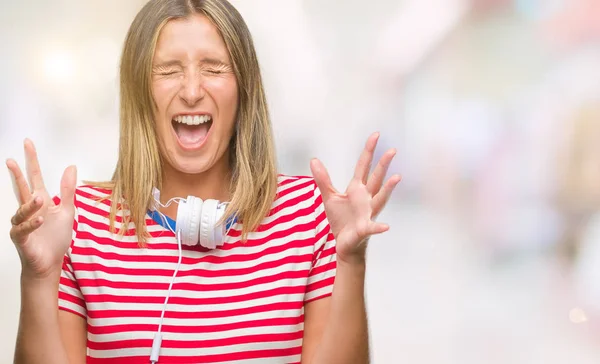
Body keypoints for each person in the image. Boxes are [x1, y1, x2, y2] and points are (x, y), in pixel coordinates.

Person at [7, 0, 400, 363]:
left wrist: (351, 261)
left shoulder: (307, 213)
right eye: (169, 70)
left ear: (243, 89)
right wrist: (39, 278)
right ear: (139, 90)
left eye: (213, 68)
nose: (192, 91)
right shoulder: (81, 222)